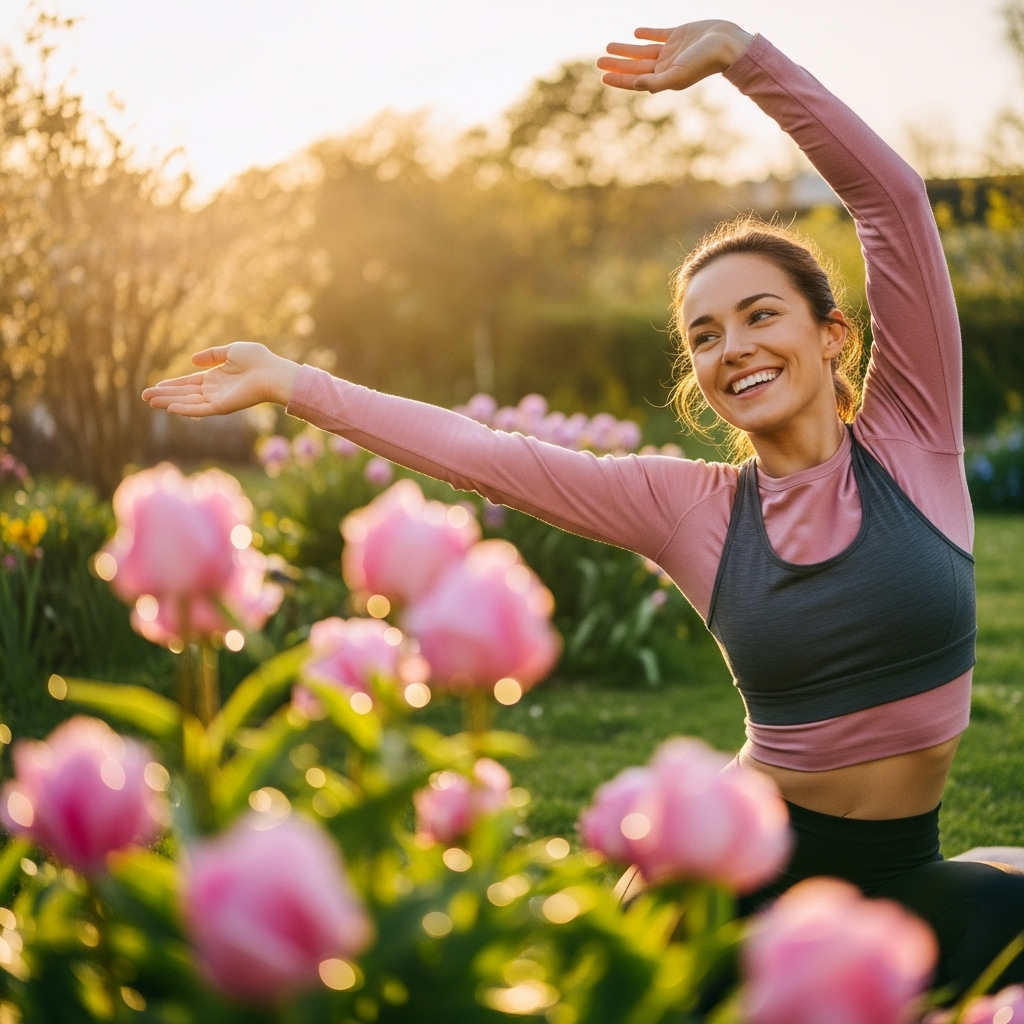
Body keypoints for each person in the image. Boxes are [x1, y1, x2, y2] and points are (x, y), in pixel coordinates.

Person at [143, 20, 1024, 991]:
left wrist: (747, 59)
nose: (732, 346)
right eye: (704, 335)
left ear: (831, 334)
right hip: (744, 872)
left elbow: (892, 201)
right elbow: (484, 457)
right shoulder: (689, 509)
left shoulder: (912, 438)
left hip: (904, 867)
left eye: (759, 314)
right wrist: (295, 383)